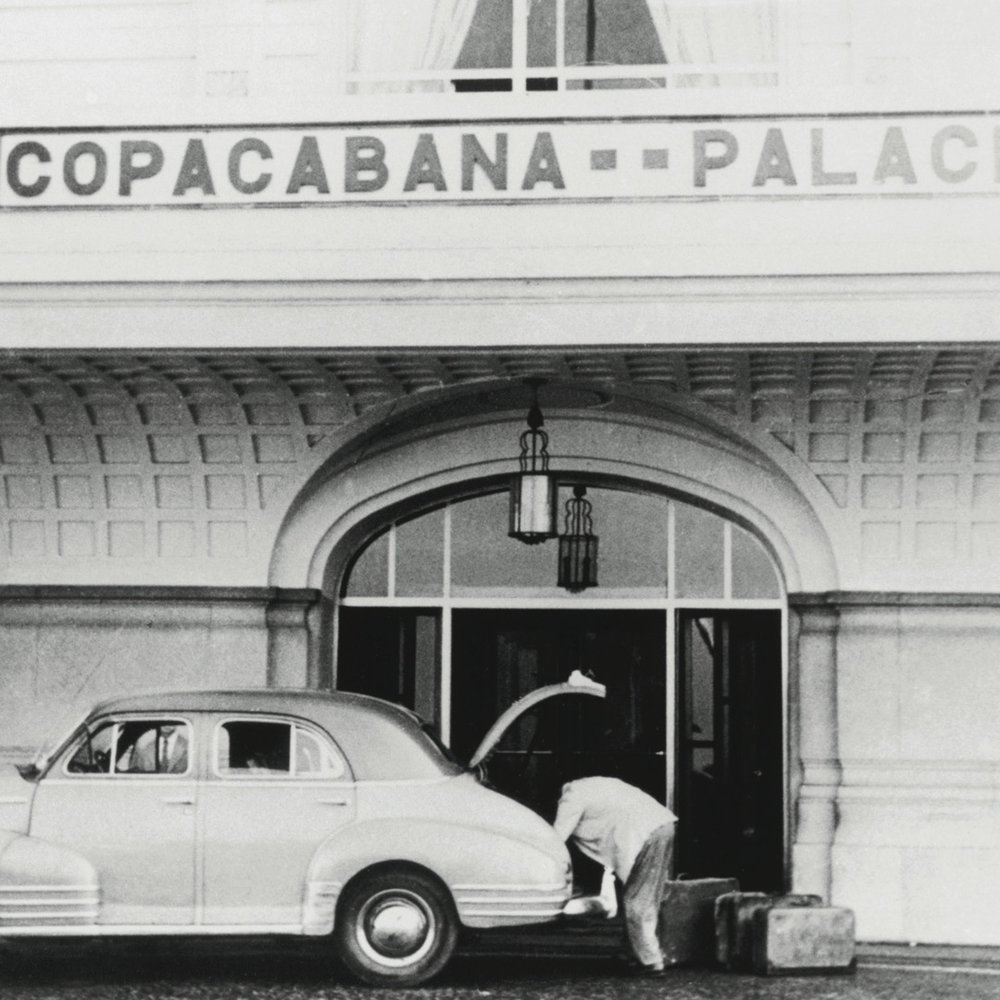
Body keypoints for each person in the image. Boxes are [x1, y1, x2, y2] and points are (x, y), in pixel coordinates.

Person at [553, 775, 677, 976]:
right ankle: (632, 953)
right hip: (662, 825)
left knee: (638, 899)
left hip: (645, 833)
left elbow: (558, 836)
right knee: (645, 895)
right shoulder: (596, 784)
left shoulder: (572, 796)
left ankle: (651, 961)